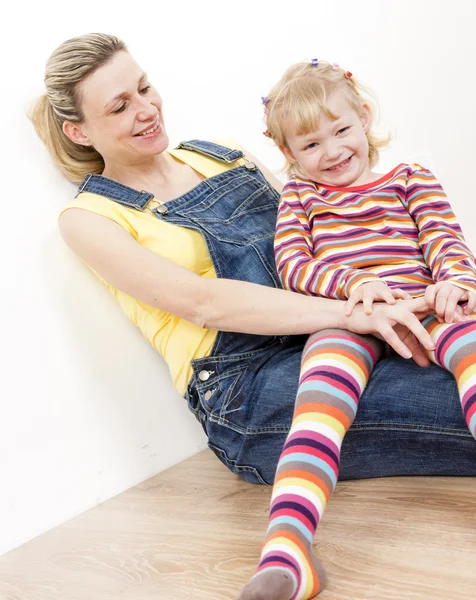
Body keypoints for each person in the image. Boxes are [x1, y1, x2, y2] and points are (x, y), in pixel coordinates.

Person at [30, 34, 476, 600]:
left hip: (335, 327)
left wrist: (427, 287)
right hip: (249, 385)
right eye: (119, 106)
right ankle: (287, 557)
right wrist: (357, 307)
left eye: (144, 88)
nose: (145, 110)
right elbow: (205, 302)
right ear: (79, 131)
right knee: (442, 400)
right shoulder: (88, 219)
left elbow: (325, 226)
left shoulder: (221, 153)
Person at [236, 59, 476, 600]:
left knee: (471, 343)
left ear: (364, 118)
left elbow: (447, 242)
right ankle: (288, 551)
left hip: (425, 304)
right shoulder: (300, 199)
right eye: (311, 145)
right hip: (351, 320)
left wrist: (454, 284)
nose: (333, 150)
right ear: (289, 156)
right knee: (317, 404)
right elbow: (295, 266)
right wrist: (353, 285)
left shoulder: (411, 178)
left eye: (341, 130)